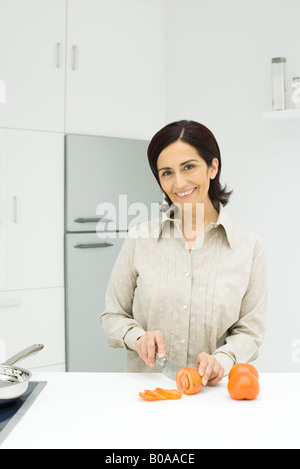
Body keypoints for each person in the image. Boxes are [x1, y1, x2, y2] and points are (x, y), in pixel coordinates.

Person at [99, 120, 268, 386]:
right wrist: (137, 337)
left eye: (189, 167)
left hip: (216, 395)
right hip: (150, 392)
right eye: (167, 172)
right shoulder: (139, 239)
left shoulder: (249, 247)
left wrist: (222, 360)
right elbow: (113, 316)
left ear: (212, 167)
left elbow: (250, 331)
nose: (179, 182)